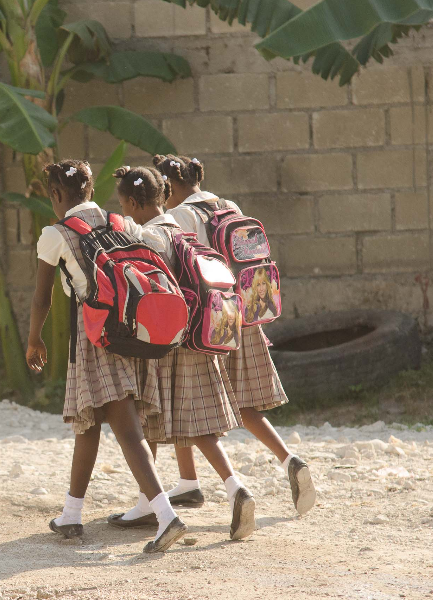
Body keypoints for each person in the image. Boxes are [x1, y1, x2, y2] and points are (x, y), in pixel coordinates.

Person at [26, 159, 188, 553]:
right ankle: (71, 513)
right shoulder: (122, 223)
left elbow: (42, 296)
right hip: (132, 330)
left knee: (125, 427)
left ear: (58, 195)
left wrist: (34, 339)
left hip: (95, 334)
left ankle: (167, 517)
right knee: (88, 422)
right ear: (90, 191)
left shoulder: (54, 234)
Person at [153, 154, 316, 516]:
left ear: (170, 186)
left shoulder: (180, 215)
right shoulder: (226, 204)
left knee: (189, 400)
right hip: (242, 315)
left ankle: (208, 484)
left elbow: (187, 270)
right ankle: (287, 461)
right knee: (244, 405)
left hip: (207, 323)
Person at [105, 165, 256, 541]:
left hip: (171, 348)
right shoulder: (178, 228)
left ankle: (236, 488)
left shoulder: (149, 237)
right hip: (200, 339)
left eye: (125, 204)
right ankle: (147, 500)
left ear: (136, 203)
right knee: (154, 421)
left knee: (190, 425)